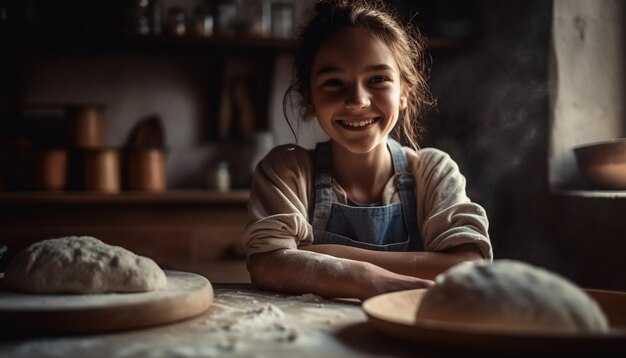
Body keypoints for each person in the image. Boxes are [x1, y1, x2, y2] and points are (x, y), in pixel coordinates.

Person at [244, 0, 492, 300]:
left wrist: (324, 255)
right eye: (334, 82)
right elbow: (269, 264)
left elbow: (467, 267)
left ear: (404, 92)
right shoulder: (287, 171)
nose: (358, 101)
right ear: (310, 99)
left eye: (377, 79)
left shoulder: (433, 173)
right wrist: (370, 280)